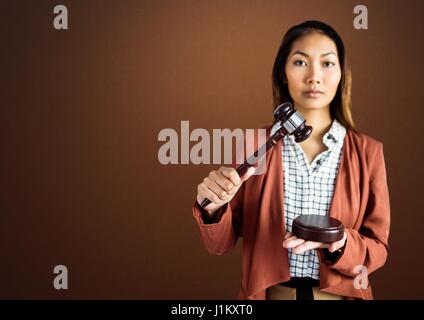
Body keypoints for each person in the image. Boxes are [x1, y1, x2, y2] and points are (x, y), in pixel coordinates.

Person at [192, 20, 390, 300]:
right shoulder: (254, 145)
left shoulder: (368, 152)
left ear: (342, 74)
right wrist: (212, 209)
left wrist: (342, 242)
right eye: (300, 62)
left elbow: (378, 248)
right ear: (283, 73)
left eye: (327, 63)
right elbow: (219, 244)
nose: (314, 76)